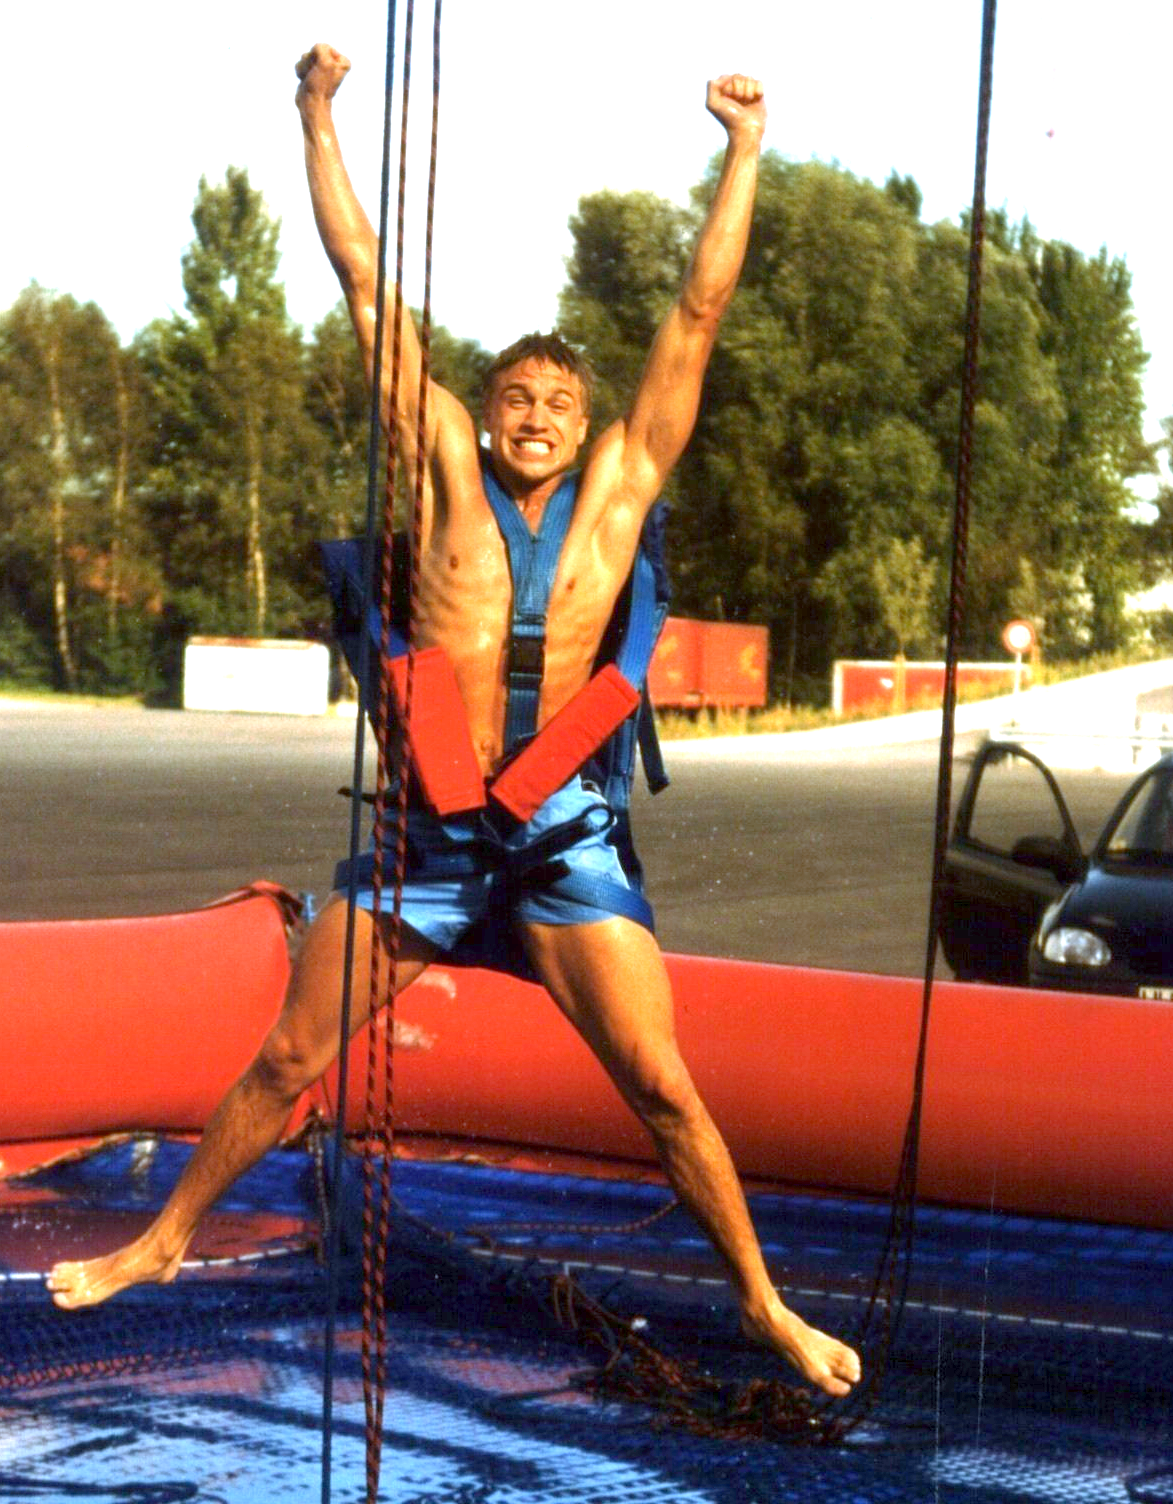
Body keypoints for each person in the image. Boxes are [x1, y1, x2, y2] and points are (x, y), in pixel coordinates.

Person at [49, 42, 861, 1401]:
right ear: (483, 416)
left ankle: (767, 1306)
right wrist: (315, 115)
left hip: (560, 838)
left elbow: (698, 310)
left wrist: (743, 150)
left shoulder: (620, 490)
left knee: (664, 1091)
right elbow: (366, 286)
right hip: (428, 836)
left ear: (590, 428)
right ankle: (164, 1239)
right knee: (289, 1056)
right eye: (516, 399)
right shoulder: (438, 468)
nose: (536, 417)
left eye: (560, 404)